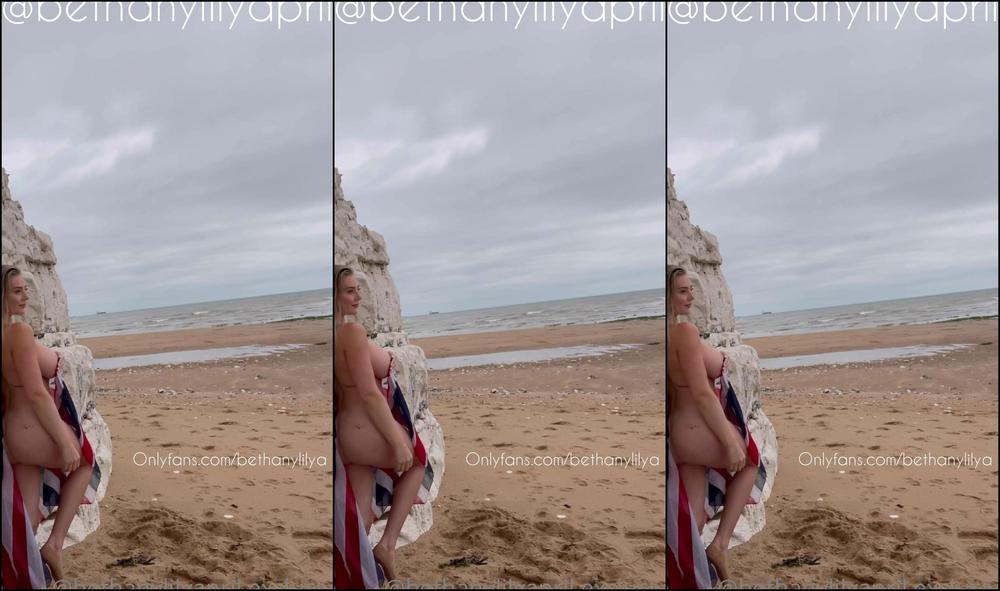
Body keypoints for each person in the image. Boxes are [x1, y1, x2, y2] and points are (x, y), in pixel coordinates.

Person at [2, 265, 101, 586]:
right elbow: (36, 393)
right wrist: (63, 439)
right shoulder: (18, 333)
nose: (25, 295)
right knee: (85, 463)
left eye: (25, 289)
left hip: (13, 434)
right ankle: (55, 546)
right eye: (16, 290)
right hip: (32, 429)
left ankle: (27, 572)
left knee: (28, 519)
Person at [667, 265, 765, 585]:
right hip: (697, 431)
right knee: (750, 462)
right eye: (682, 290)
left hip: (682, 435)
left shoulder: (666, 338)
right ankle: (720, 546)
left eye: (691, 289)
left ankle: (691, 571)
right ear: (667, 297)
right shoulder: (684, 333)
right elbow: (702, 394)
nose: (690, 295)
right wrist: (729, 439)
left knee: (693, 522)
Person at [334, 265, 432, 586]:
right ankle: (387, 546)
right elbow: (369, 394)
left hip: (348, 436)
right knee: (417, 462)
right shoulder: (351, 333)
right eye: (349, 290)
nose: (357, 296)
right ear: (334, 296)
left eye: (357, 289)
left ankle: (357, 572)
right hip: (365, 431)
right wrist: (398, 440)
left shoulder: (332, 338)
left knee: (360, 519)